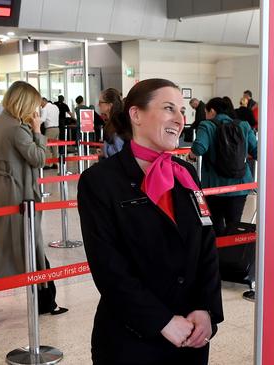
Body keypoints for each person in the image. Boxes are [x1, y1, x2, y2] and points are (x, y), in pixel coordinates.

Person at [78, 78, 223, 364]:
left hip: (190, 337)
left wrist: (205, 309)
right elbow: (109, 268)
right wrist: (162, 321)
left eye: (181, 111)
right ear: (136, 115)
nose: (180, 119)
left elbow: (206, 243)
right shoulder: (101, 181)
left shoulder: (185, 173)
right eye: (169, 108)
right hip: (132, 339)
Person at [0, 81, 68, 327]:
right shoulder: (16, 129)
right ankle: (47, 303)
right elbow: (39, 158)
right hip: (17, 195)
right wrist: (37, 130)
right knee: (32, 247)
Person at [188, 97, 257, 236]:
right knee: (234, 225)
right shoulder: (243, 125)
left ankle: (218, 255)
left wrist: (190, 156)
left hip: (214, 187)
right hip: (240, 186)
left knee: (215, 226)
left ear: (212, 111)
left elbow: (199, 148)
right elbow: (256, 151)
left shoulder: (207, 126)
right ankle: (232, 255)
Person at [98, 88, 125, 158]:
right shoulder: (117, 120)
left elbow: (119, 149)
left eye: (100, 102)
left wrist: (105, 150)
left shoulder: (117, 122)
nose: (98, 105)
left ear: (109, 105)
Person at [40, 97, 60, 169]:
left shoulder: (45, 108)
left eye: (40, 103)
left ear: (43, 101)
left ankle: (47, 164)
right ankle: (55, 163)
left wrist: (35, 124)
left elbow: (42, 119)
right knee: (55, 147)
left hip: (50, 129)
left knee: (46, 145)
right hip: (57, 128)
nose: (40, 105)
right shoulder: (55, 107)